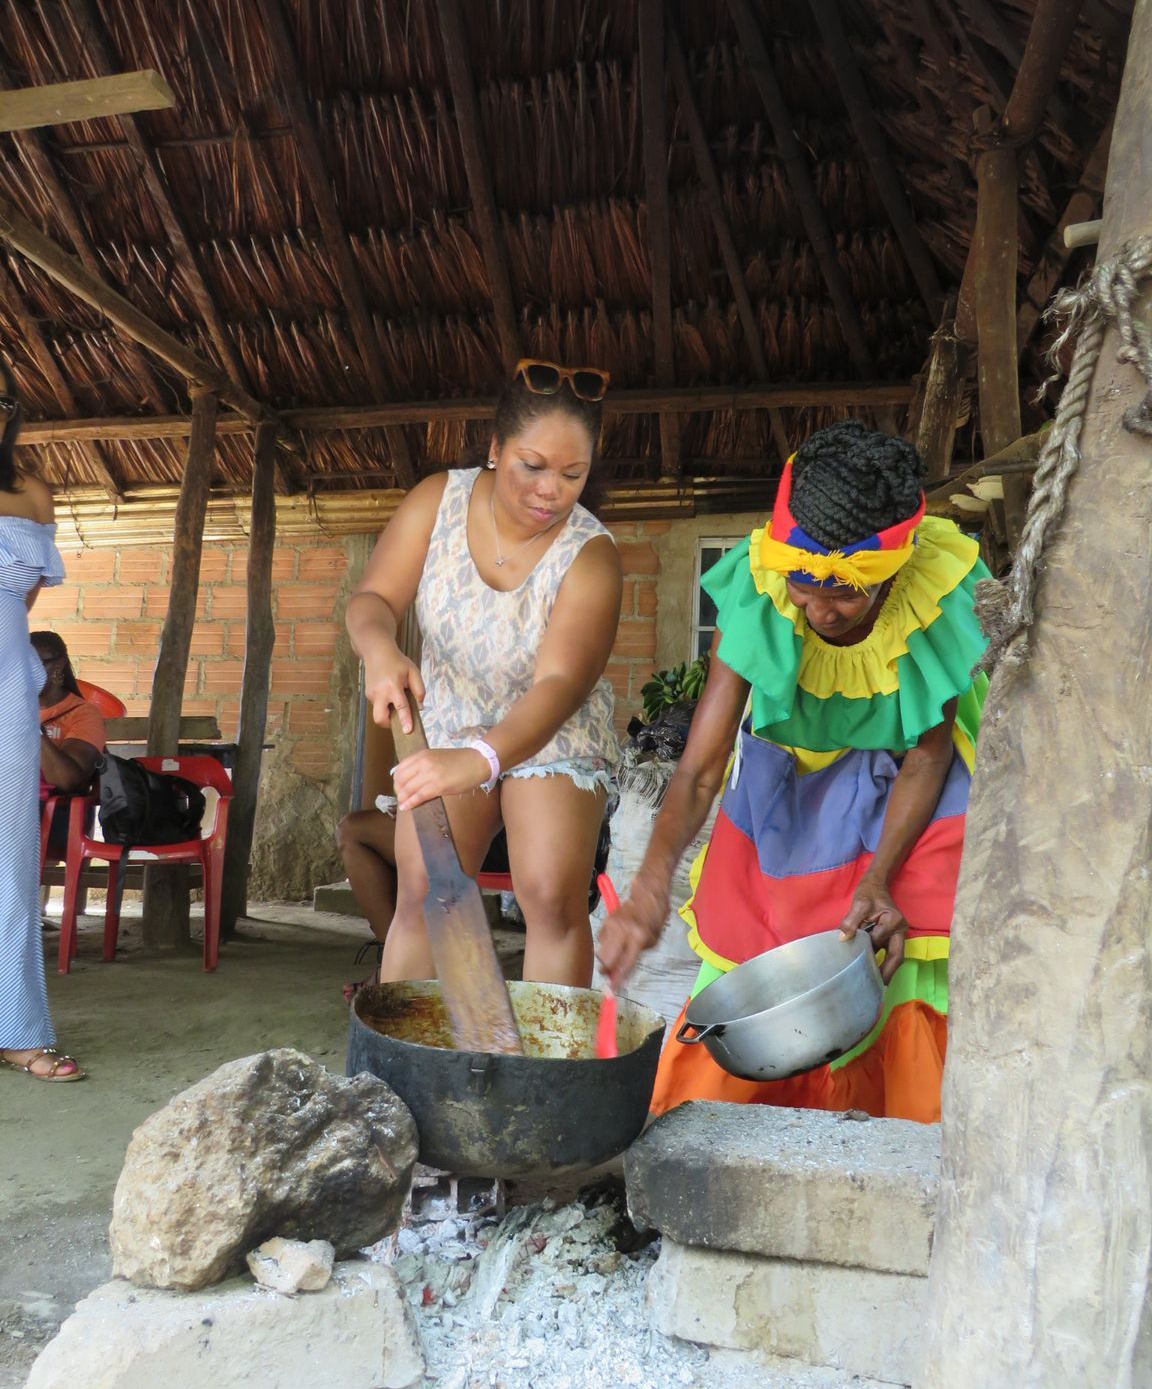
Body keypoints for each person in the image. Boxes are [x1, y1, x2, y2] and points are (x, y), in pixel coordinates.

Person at [599, 423, 989, 1123]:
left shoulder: (934, 596)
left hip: (913, 794)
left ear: (892, 572)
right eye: (802, 584)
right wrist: (649, 887)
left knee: (899, 957)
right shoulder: (763, 598)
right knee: (756, 953)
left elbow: (928, 754)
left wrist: (878, 878)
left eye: (844, 595)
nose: (817, 609)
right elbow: (699, 768)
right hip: (789, 793)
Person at [345, 359, 622, 989]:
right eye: (533, 465)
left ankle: (554, 1072)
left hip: (552, 733)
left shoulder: (592, 555)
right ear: (496, 449)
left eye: (572, 473)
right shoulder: (436, 500)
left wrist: (479, 761)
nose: (551, 489)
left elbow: (559, 688)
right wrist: (380, 650)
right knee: (425, 890)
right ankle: (401, 1064)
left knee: (549, 895)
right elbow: (374, 601)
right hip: (451, 721)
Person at [0, 369, 84, 1081]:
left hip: (5, 696)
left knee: (10, 867)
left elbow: (19, 604)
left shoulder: (31, 491)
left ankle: (19, 1028)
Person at [32, 631, 106, 856]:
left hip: (60, 815)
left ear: (58, 665)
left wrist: (32, 728)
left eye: (35, 663)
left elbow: (68, 781)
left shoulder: (83, 713)